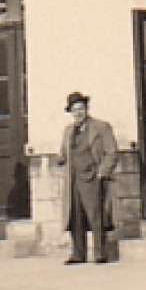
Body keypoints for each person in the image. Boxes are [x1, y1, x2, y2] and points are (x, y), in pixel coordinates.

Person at [57, 91, 118, 265]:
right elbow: (63, 152)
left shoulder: (101, 127)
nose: (78, 113)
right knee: (75, 216)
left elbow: (112, 152)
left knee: (96, 216)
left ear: (86, 109)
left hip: (92, 178)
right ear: (70, 112)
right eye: (74, 110)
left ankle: (100, 253)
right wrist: (61, 159)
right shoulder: (68, 131)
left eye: (81, 109)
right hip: (73, 179)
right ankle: (78, 254)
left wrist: (102, 172)